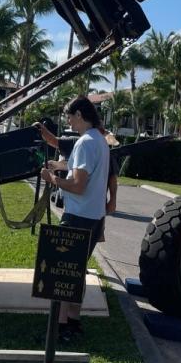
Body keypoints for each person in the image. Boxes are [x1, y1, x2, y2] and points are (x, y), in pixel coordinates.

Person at [38, 96, 110, 342]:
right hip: (93, 217)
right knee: (76, 273)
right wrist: (61, 166)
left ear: (80, 115)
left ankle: (60, 328)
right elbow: (83, 170)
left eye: (69, 116)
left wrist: (53, 179)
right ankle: (73, 322)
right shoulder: (99, 140)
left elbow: (78, 186)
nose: (68, 121)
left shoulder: (85, 143)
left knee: (60, 275)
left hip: (77, 217)